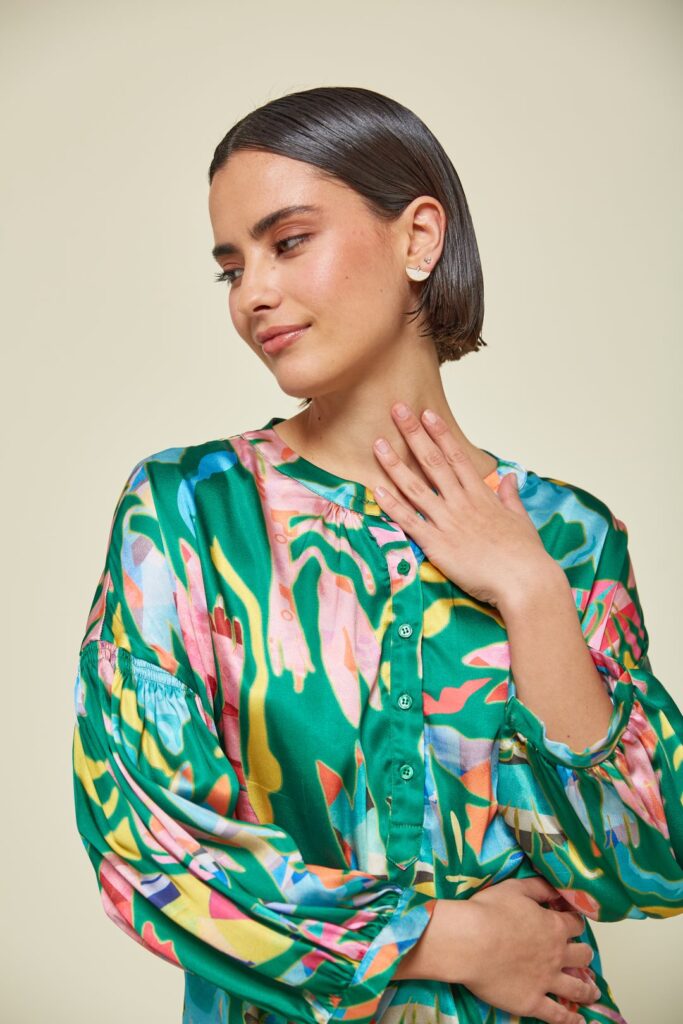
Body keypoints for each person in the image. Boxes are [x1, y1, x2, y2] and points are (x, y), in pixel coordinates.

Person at [71, 86, 683, 1024]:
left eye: (288, 242)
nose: (253, 294)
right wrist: (452, 940)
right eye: (230, 268)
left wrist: (529, 591)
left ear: (419, 238)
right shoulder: (188, 509)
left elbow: (651, 863)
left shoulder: (568, 535)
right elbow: (145, 844)